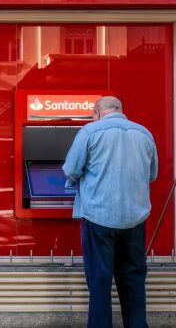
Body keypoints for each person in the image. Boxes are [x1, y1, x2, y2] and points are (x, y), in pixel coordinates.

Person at [63, 96, 158, 328]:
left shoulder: (89, 132)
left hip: (99, 217)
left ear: (96, 112)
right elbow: (152, 175)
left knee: (100, 281)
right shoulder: (144, 133)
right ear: (120, 111)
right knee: (134, 280)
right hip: (135, 219)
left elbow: (71, 169)